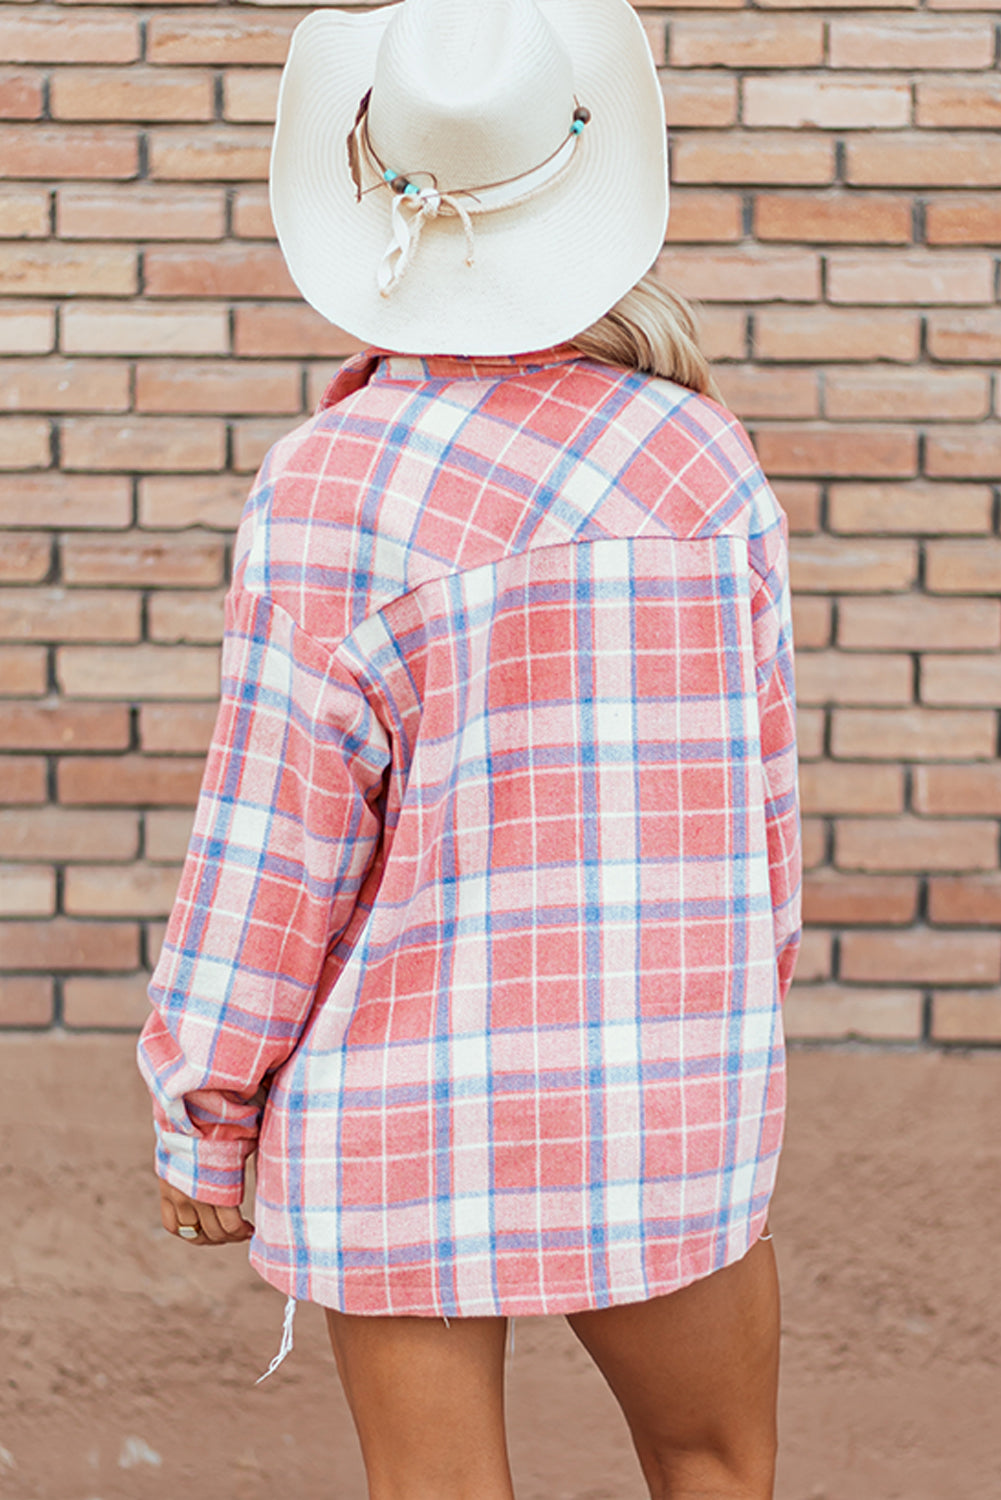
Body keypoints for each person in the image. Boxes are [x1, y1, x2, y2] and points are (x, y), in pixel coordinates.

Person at [137, 0, 802, 1495]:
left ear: (369, 195)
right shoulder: (701, 457)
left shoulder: (328, 488)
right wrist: (731, 1025)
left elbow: (272, 844)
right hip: (663, 1077)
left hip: (406, 1097)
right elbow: (765, 811)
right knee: (714, 1466)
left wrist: (205, 1109)